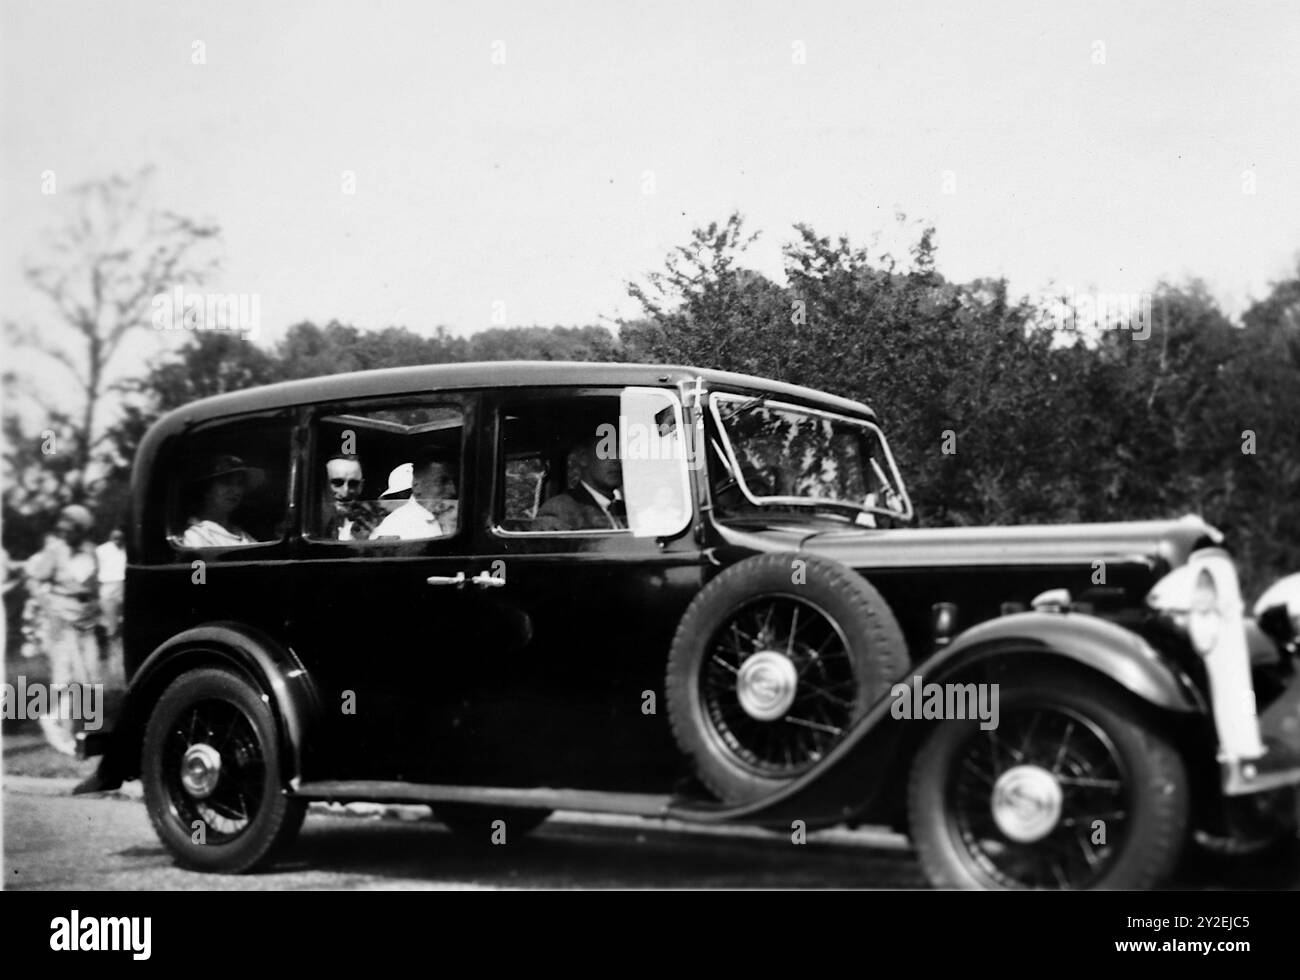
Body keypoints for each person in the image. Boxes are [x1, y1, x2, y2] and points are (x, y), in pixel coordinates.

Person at [24, 504, 100, 754]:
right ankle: (64, 733)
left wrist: (95, 608)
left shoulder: (91, 552)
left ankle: (70, 726)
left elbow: (92, 585)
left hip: (85, 622)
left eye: (73, 529)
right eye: (63, 529)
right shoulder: (55, 551)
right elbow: (34, 579)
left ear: (83, 530)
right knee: (65, 677)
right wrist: (48, 605)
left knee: (89, 677)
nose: (66, 533)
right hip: (61, 620)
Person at [534, 433, 625, 531]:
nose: (617, 459)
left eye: (622, 453)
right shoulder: (561, 509)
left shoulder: (626, 510)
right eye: (607, 451)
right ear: (584, 458)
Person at [181, 455, 264, 547]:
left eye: (240, 483)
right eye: (226, 482)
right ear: (207, 489)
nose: (236, 491)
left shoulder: (241, 534)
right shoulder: (196, 535)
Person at [370, 453, 457, 540]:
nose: (453, 490)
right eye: (442, 481)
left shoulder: (455, 517)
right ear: (416, 486)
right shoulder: (392, 527)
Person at [320, 455, 383, 540]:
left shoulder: (372, 525)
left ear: (361, 486)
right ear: (323, 485)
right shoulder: (308, 525)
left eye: (353, 484)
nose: (345, 491)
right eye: (337, 483)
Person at [94, 528, 126, 686]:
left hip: (124, 586)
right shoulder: (101, 550)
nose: (118, 541)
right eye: (115, 538)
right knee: (112, 630)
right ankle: (114, 667)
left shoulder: (128, 549)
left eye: (120, 538)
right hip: (108, 588)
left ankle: (123, 665)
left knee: (124, 629)